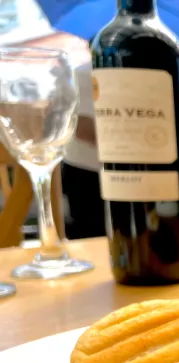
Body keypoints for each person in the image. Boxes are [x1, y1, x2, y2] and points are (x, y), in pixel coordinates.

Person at [62, 61, 105, 240]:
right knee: (91, 234)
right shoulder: (84, 74)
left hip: (121, 170)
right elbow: (83, 128)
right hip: (87, 173)